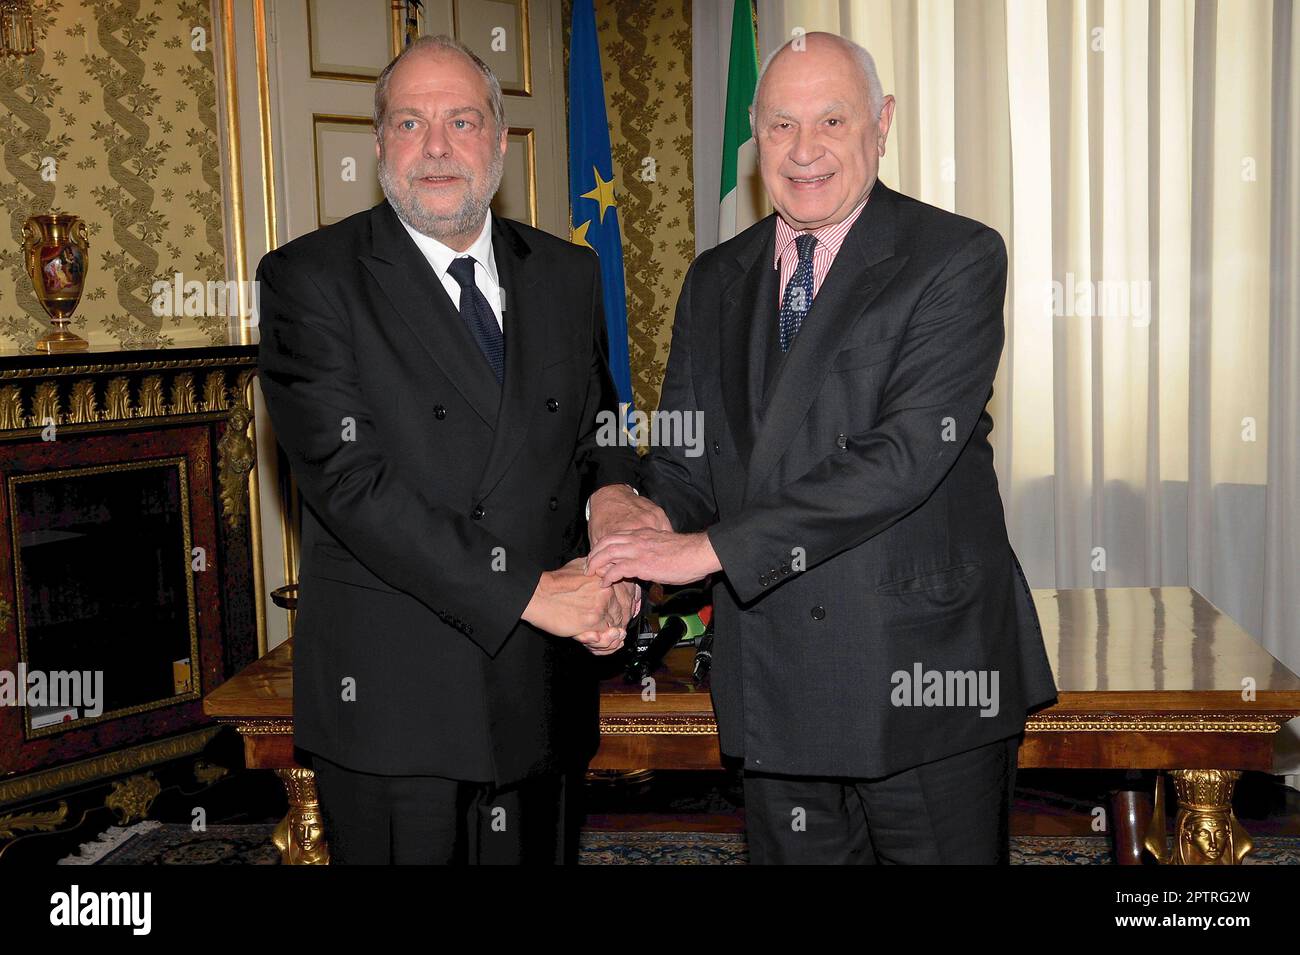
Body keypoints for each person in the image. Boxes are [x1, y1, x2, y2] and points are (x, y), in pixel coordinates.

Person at [588, 32, 1058, 864]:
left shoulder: (955, 256)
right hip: (773, 676)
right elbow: (689, 456)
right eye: (780, 126)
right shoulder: (716, 277)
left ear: (881, 124)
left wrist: (705, 548)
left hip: (920, 678)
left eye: (831, 120)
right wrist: (639, 520)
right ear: (755, 138)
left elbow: (904, 456)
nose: (804, 152)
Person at [257, 34, 638, 864]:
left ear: (500, 142)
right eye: (409, 123)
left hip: (541, 684)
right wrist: (533, 592)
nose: (435, 147)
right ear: (380, 145)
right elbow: (355, 488)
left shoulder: (566, 274)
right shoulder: (309, 280)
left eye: (461, 121)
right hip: (400, 700)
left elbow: (599, 428)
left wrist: (615, 519)